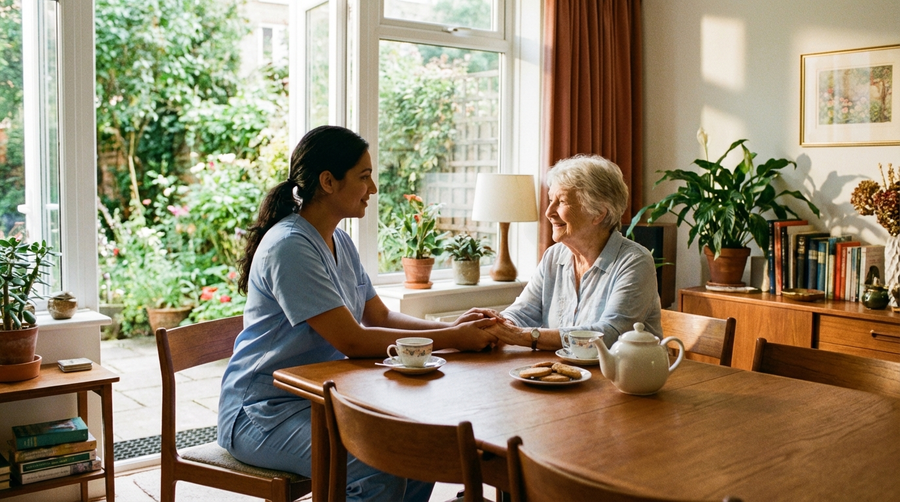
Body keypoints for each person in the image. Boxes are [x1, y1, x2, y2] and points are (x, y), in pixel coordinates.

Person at [217, 125, 498, 502]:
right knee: (378, 464)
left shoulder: (340, 241)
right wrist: (451, 339)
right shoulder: (289, 246)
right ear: (328, 181)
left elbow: (379, 316)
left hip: (320, 403)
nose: (374, 188)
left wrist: (448, 327)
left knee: (418, 452)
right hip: (261, 414)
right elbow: (353, 339)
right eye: (364, 177)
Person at [474, 154, 662, 351]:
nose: (548, 212)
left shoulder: (635, 262)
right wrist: (496, 323)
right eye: (550, 200)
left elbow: (609, 334)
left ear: (598, 213)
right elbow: (523, 312)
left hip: (624, 378)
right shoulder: (554, 256)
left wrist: (522, 336)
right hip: (567, 374)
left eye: (561, 201)